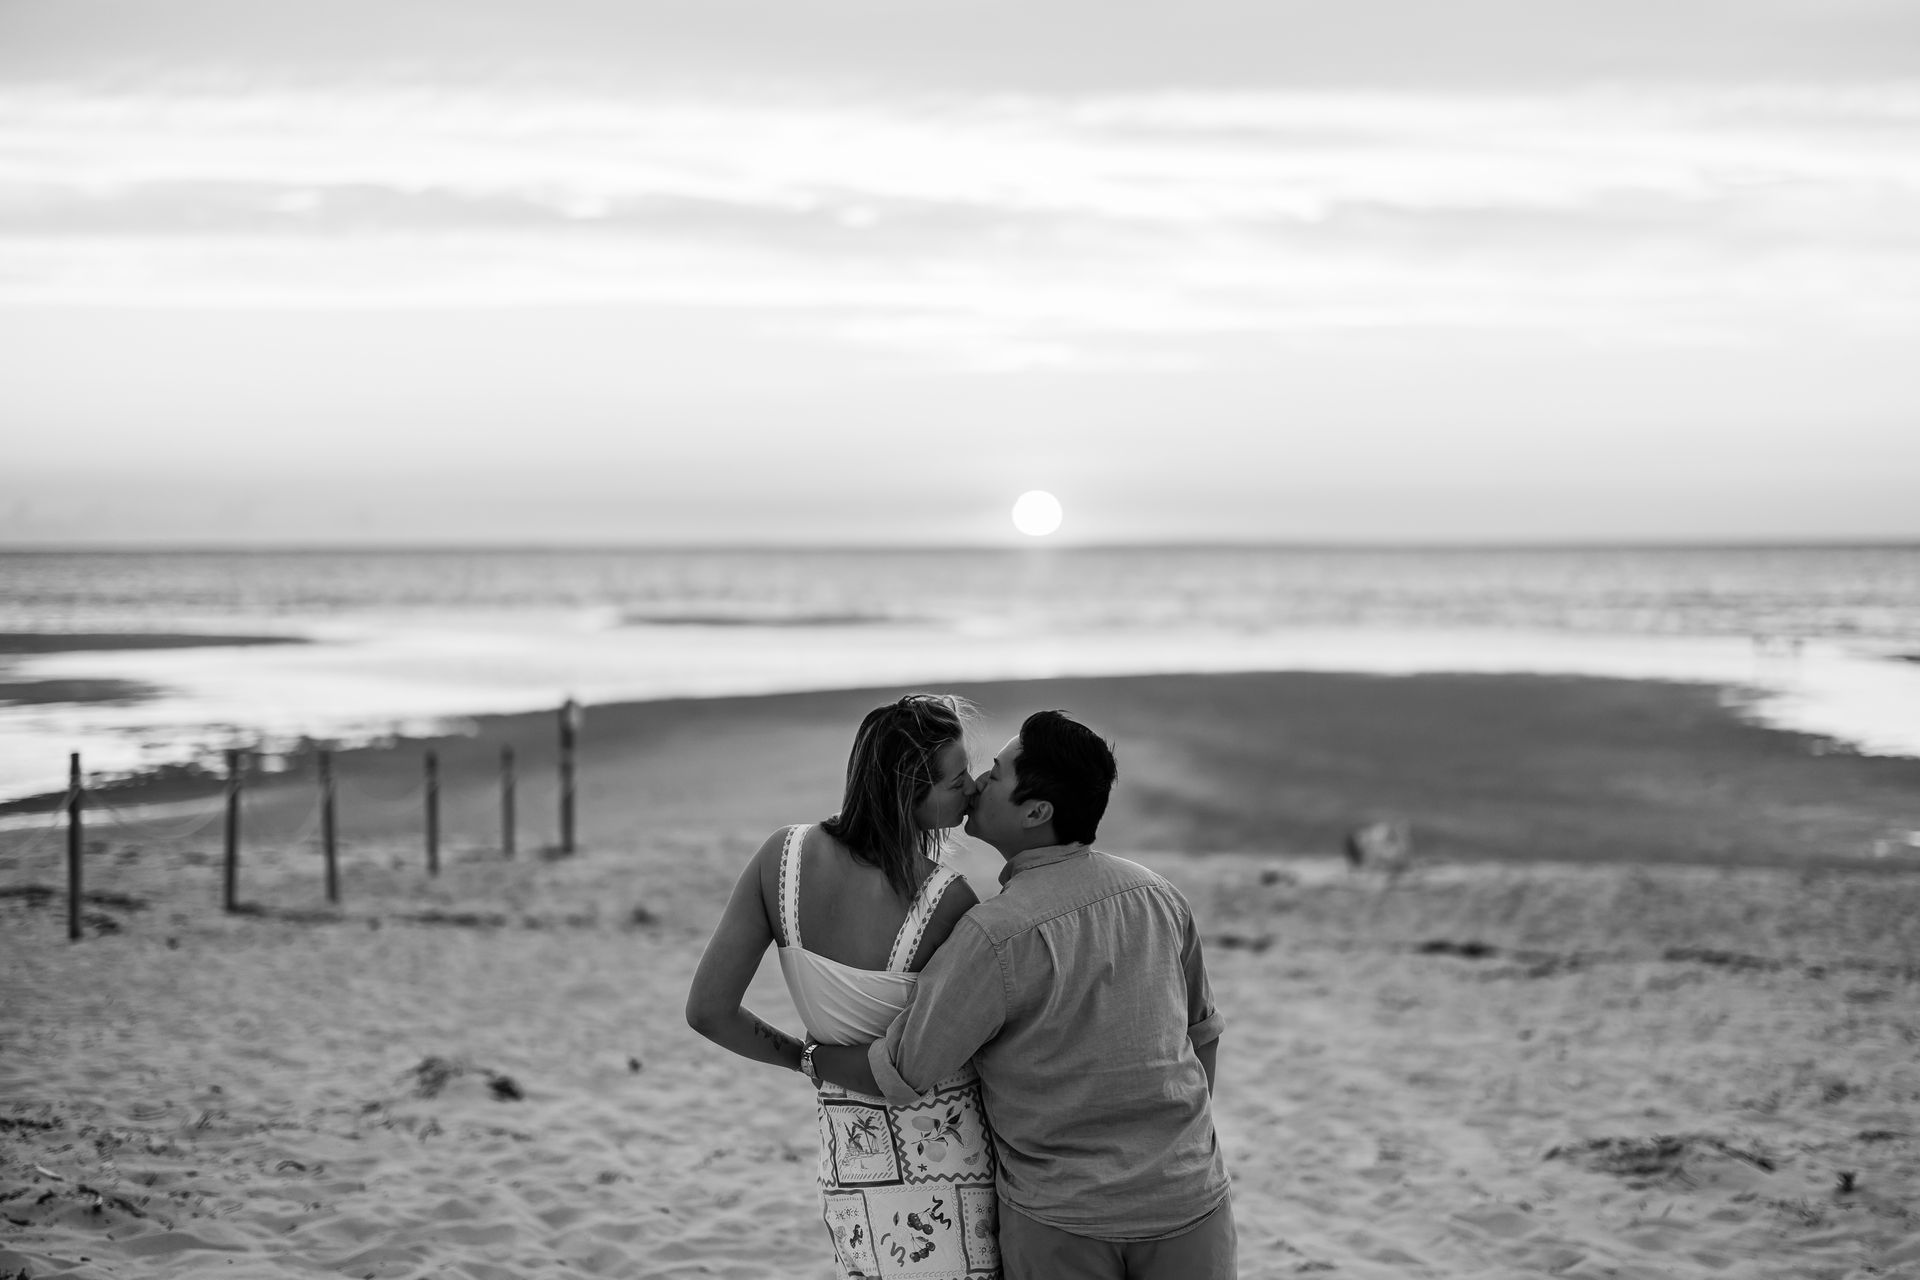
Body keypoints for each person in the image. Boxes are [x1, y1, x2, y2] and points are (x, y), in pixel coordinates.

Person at [810, 710, 1235, 1280]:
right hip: (1191, 1203)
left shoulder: (994, 934)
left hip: (1063, 1223)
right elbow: (1202, 1037)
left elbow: (903, 1070)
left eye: (998, 773)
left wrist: (808, 1056)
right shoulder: (1160, 896)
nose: (979, 783)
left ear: (1037, 812)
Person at [685, 693, 1002, 1279]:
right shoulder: (945, 900)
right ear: (911, 791)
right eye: (957, 780)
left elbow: (708, 1012)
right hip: (950, 1161)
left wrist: (809, 1059)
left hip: (852, 1157)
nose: (973, 789)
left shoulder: (780, 859)